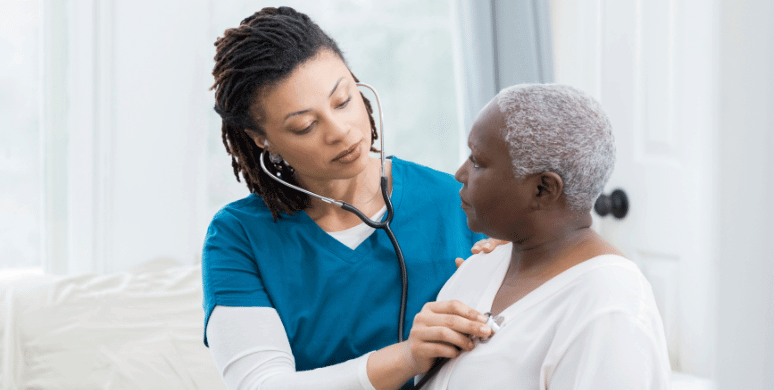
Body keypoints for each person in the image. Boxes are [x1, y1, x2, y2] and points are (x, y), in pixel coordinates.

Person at [203, 6, 498, 390]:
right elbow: (261, 384)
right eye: (305, 125)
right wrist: (407, 356)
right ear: (263, 139)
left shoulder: (458, 200)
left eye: (343, 100)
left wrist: (515, 277)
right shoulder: (239, 237)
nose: (341, 131)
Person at [415, 83, 670, 389]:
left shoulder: (610, 309)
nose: (460, 173)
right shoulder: (478, 267)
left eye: (478, 162)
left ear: (542, 189)